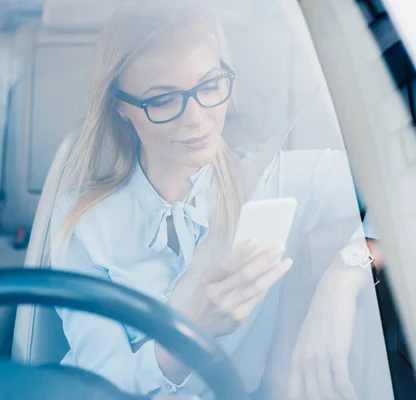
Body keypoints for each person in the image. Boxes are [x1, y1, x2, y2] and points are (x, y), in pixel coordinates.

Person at [49, 0, 393, 398]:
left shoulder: (277, 179)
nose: (196, 118)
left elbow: (403, 184)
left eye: (210, 86)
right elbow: (97, 385)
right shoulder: (84, 223)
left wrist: (348, 273)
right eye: (163, 99)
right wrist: (191, 331)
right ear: (121, 108)